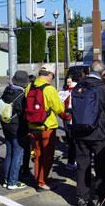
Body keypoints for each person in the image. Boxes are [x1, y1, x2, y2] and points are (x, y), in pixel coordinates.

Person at [73, 61, 105, 206]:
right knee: (100, 165)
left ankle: (82, 197)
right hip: (99, 132)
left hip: (79, 131)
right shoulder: (102, 88)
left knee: (82, 165)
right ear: (102, 73)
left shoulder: (79, 85)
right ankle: (99, 195)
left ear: (89, 70)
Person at [26, 64, 65, 192]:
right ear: (49, 75)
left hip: (32, 126)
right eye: (52, 76)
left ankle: (38, 178)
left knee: (37, 154)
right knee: (47, 156)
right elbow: (59, 108)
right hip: (47, 126)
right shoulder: (49, 89)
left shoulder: (29, 87)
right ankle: (42, 182)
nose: (52, 79)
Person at [0, 71, 30, 190]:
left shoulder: (7, 91)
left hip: (6, 125)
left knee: (9, 153)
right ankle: (13, 182)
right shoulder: (20, 95)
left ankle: (6, 179)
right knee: (18, 154)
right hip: (17, 128)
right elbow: (22, 113)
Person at [60, 77, 77, 170]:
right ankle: (71, 162)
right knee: (70, 139)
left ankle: (73, 160)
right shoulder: (63, 91)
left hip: (74, 115)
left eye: (70, 81)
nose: (68, 82)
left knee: (73, 140)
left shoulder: (77, 90)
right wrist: (63, 115)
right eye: (67, 81)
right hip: (66, 116)